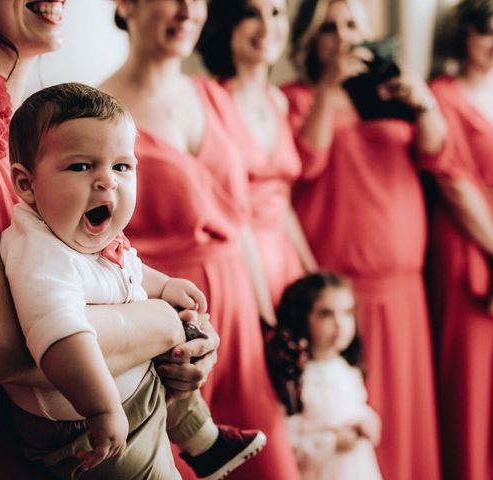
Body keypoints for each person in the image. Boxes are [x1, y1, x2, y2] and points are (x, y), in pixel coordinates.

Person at [0, 1, 218, 478]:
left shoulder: (53, 137)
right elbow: (1, 347)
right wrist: (165, 324)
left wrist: (180, 350)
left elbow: (97, 277)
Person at [1, 82, 266, 479]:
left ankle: (205, 443)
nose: (108, 181)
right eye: (81, 166)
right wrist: (102, 409)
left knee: (165, 368)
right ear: (26, 184)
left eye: (122, 166)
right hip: (82, 424)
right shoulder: (40, 254)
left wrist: (161, 287)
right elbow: (60, 337)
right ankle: (200, 445)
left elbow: (125, 267)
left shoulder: (78, 229)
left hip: (124, 391)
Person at [99, 1, 300, 479]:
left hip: (241, 322)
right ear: (125, 5)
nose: (189, 10)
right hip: (168, 324)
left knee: (272, 467)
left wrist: (268, 322)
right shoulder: (97, 110)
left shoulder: (214, 95)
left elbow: (243, 221)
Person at [282, 1, 445, 479]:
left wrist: (424, 104)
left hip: (404, 290)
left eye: (352, 24)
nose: (343, 36)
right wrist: (329, 92)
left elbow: (437, 155)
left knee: (403, 421)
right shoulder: (297, 98)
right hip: (340, 297)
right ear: (312, 41)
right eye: (329, 28)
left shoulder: (390, 94)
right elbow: (304, 163)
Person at [197, 0, 317, 317]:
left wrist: (312, 272)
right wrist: (265, 311)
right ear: (227, 24)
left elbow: (284, 205)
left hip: (286, 260)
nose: (267, 27)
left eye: (276, 13)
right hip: (242, 262)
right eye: (252, 14)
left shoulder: (277, 101)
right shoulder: (210, 102)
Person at [424, 2, 493, 479]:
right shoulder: (442, 96)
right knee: (470, 383)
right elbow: (454, 183)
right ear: (462, 35)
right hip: (469, 247)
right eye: (486, 31)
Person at [272, 271, 382, 480]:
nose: (340, 323)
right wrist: (332, 442)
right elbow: (287, 441)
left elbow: (358, 406)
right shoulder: (297, 380)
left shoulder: (348, 369)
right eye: (326, 314)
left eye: (347, 312)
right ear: (303, 318)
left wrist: (367, 421)